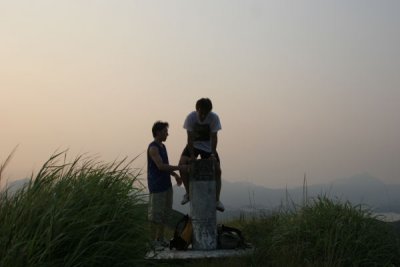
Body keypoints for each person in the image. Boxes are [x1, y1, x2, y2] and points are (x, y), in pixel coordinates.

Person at [147, 121, 188, 248]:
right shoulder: (153, 148)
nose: (167, 134)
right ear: (158, 132)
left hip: (166, 185)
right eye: (165, 131)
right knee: (155, 216)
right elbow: (160, 166)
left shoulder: (162, 147)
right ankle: (152, 241)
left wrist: (175, 175)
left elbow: (166, 166)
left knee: (165, 214)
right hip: (157, 186)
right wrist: (180, 167)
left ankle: (160, 239)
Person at [179, 98, 224, 212]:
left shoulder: (214, 118)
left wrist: (212, 154)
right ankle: (188, 194)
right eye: (201, 113)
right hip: (193, 145)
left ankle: (217, 200)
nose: (203, 116)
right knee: (182, 165)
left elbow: (214, 137)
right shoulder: (191, 117)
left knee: (217, 170)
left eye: (206, 113)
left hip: (208, 147)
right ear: (197, 110)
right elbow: (189, 138)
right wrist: (192, 156)